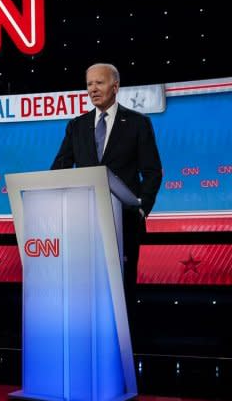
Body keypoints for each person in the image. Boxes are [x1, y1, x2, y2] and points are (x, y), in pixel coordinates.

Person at [51, 63, 162, 336]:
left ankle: (124, 344)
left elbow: (151, 171)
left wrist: (142, 208)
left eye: (99, 83)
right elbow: (60, 167)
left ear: (115, 86)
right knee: (88, 287)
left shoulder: (137, 123)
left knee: (122, 290)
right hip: (85, 223)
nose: (92, 89)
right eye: (89, 84)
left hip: (124, 220)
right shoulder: (76, 126)